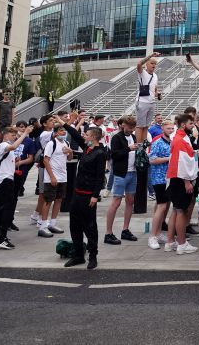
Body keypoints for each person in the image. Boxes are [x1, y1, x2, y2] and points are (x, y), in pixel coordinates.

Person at [64, 125, 109, 269]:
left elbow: (99, 176)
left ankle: (93, 256)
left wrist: (95, 196)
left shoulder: (100, 153)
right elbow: (75, 135)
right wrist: (64, 123)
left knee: (90, 226)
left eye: (87, 134)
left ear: (94, 137)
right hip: (77, 193)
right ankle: (78, 255)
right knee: (74, 225)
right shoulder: (86, 148)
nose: (84, 136)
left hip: (88, 196)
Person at [0, 125, 30, 249]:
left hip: (2, 179)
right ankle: (2, 238)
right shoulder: (3, 145)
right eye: (12, 135)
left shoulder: (7, 148)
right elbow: (13, 146)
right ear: (6, 135)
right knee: (8, 208)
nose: (14, 137)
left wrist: (14, 159)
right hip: (4, 180)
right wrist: (25, 133)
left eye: (15, 135)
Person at [167, 113, 199, 254]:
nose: (193, 126)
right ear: (183, 124)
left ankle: (170, 242)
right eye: (191, 124)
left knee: (175, 210)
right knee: (180, 211)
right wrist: (187, 182)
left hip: (176, 178)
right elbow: (182, 162)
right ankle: (181, 244)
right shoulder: (180, 139)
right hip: (180, 179)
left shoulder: (179, 137)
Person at [105, 115, 139, 245]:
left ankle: (125, 229)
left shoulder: (134, 136)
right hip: (120, 173)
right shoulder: (116, 137)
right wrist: (129, 149)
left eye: (132, 128)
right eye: (129, 127)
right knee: (116, 202)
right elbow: (114, 154)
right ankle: (108, 232)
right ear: (122, 125)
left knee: (130, 201)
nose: (131, 130)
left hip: (132, 172)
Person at [37, 124, 71, 237]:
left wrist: (70, 152)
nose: (63, 133)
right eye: (61, 131)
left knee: (59, 200)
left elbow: (69, 159)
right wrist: (52, 176)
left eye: (64, 131)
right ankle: (43, 226)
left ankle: (52, 223)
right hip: (52, 177)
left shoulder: (66, 143)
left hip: (63, 176)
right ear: (55, 133)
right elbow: (46, 160)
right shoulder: (52, 143)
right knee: (48, 200)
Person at [147, 121, 172, 249]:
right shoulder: (157, 143)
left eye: (172, 128)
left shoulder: (171, 142)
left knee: (164, 205)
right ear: (162, 128)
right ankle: (152, 236)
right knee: (161, 206)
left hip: (168, 178)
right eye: (168, 128)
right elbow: (152, 159)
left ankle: (158, 232)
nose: (171, 130)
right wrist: (169, 158)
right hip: (159, 178)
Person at [134, 53, 162, 144]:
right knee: (140, 125)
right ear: (146, 64)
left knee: (146, 125)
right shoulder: (142, 73)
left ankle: (144, 142)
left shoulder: (155, 76)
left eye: (155, 64)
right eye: (151, 63)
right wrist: (150, 55)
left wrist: (158, 94)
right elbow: (138, 64)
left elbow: (154, 89)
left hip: (151, 102)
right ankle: (139, 144)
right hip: (142, 101)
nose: (154, 65)